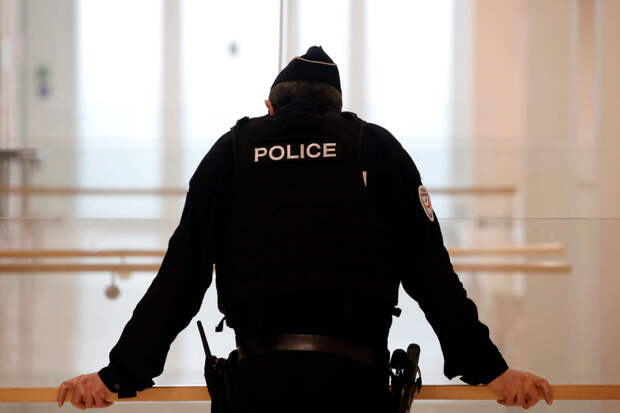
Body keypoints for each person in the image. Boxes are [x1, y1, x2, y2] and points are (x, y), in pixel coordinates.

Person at [57, 46, 553, 411]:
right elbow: (430, 273)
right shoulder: (375, 148)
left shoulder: (232, 152)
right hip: (356, 386)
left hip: (257, 385)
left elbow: (182, 277)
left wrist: (119, 374)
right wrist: (490, 369)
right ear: (335, 107)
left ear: (271, 107)